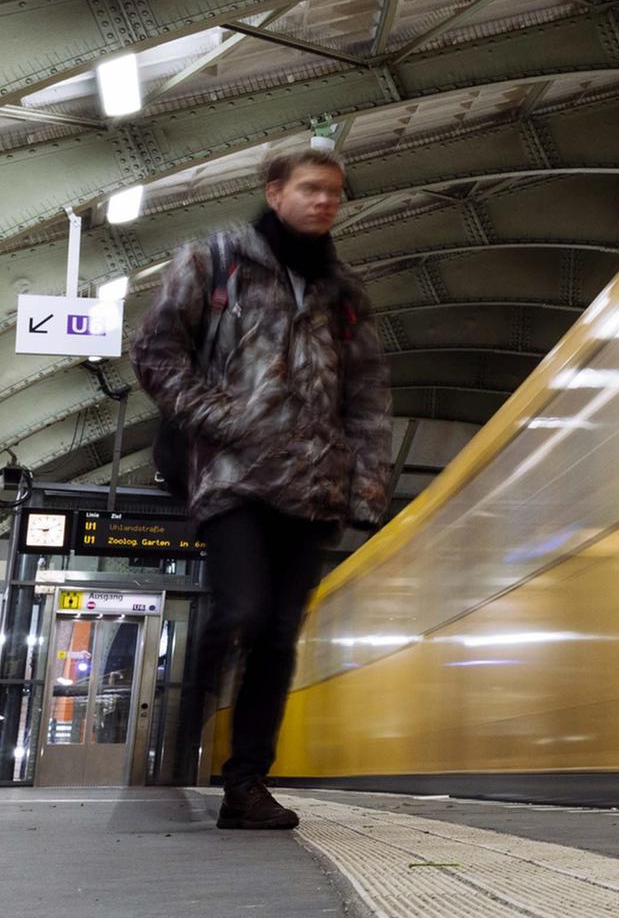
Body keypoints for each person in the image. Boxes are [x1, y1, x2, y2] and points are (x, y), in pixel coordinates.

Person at [132, 147, 392, 829]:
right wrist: (227, 421)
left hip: (312, 489)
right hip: (232, 479)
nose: (325, 202)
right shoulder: (212, 262)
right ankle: (189, 703)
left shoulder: (345, 295)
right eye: (311, 189)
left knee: (278, 639)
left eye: (335, 192)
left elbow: (365, 395)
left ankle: (245, 785)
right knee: (243, 610)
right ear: (274, 191)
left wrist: (366, 480)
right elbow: (157, 353)